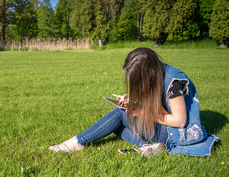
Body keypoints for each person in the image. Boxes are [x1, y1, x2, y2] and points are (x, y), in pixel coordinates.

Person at [49, 48, 218, 157]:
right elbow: (156, 100)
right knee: (116, 124)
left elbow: (179, 121)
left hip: (178, 133)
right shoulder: (158, 71)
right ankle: (145, 146)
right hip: (168, 127)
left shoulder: (173, 82)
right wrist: (133, 99)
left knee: (120, 115)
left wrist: (144, 113)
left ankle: (76, 142)